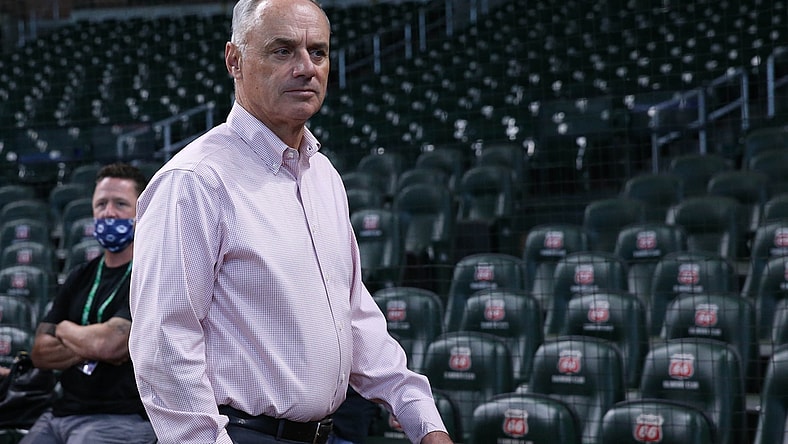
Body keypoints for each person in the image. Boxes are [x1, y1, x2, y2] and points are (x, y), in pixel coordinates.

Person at [127, 1, 454, 444]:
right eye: (282, 51)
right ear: (234, 60)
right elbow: (163, 344)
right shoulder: (195, 182)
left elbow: (355, 316)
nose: (306, 68)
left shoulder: (324, 176)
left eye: (317, 52)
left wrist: (422, 418)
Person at [22, 163, 156, 444]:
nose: (108, 213)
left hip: (121, 417)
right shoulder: (80, 275)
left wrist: (65, 329)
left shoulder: (150, 274)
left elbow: (112, 344)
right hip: (60, 413)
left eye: (120, 204)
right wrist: (93, 345)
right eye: (101, 204)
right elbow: (40, 352)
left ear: (141, 211)